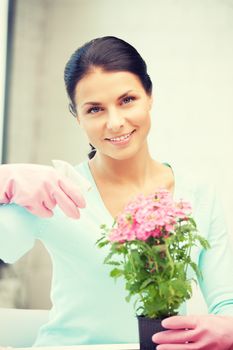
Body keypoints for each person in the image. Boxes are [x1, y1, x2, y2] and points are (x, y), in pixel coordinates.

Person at [0, 36, 233, 349]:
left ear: (149, 96)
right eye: (95, 109)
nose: (115, 122)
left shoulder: (199, 195)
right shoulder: (54, 191)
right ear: (76, 116)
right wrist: (4, 181)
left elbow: (226, 304)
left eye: (127, 100)